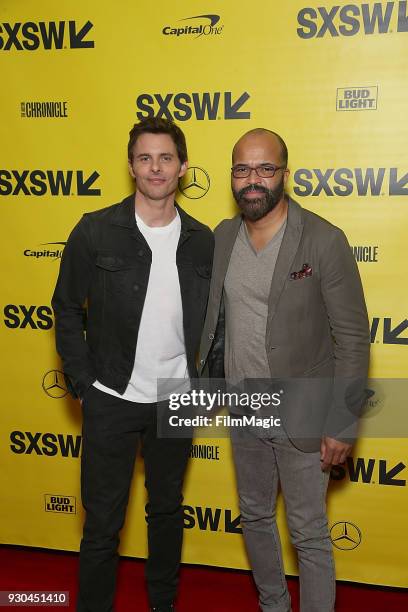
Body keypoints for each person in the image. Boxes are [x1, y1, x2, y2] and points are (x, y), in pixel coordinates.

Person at [198, 128, 370, 612]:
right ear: (232, 176)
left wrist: (341, 421)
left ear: (284, 175)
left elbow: (353, 340)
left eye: (265, 168)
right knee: (253, 517)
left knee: (309, 533)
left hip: (304, 412)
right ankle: (272, 605)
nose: (253, 180)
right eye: (242, 169)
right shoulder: (222, 237)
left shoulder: (323, 239)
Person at [52, 117, 214, 612]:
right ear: (131, 166)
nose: (155, 168)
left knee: (166, 513)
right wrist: (85, 384)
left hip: (176, 397)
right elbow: (64, 308)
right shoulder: (95, 230)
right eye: (145, 158)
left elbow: (215, 322)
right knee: (102, 523)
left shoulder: (204, 240)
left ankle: (162, 604)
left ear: (183, 167)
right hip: (113, 397)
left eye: (165, 158)